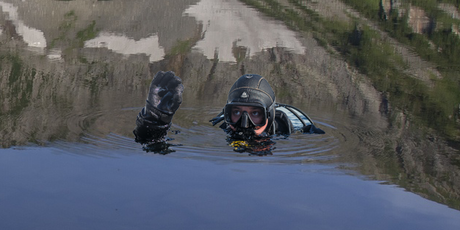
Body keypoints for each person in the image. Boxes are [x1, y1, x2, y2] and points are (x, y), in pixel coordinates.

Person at [134, 70, 322, 153]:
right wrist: (155, 122)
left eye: (255, 113)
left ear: (270, 116)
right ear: (227, 112)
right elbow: (157, 146)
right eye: (237, 112)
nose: (244, 123)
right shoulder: (220, 127)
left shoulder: (298, 133)